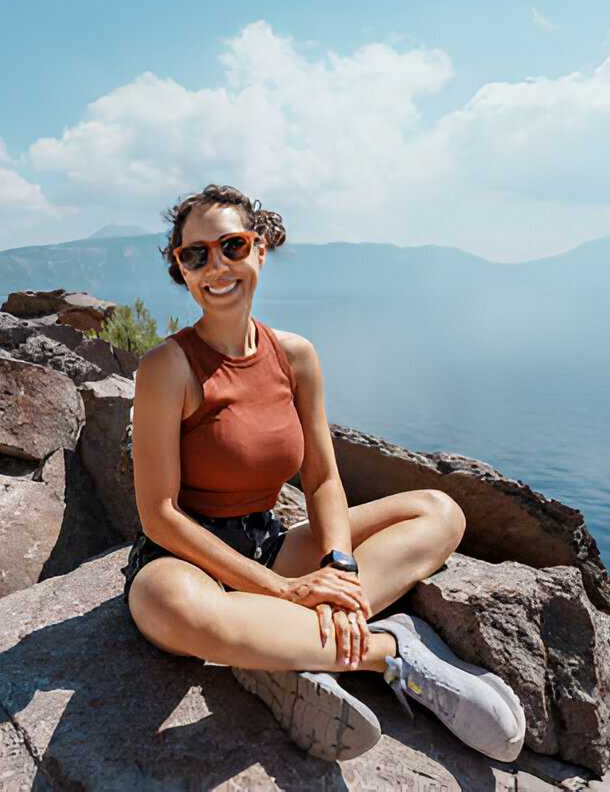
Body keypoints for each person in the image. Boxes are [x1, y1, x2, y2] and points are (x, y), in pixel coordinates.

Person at [123, 184, 527, 762]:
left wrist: (338, 567)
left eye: (232, 246)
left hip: (269, 544)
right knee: (167, 607)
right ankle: (389, 651)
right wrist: (287, 590)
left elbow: (323, 481)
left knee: (438, 511)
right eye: (196, 255)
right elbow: (159, 516)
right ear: (182, 271)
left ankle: (279, 650)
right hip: (189, 564)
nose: (217, 267)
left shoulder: (295, 356)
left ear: (260, 250)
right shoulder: (167, 367)